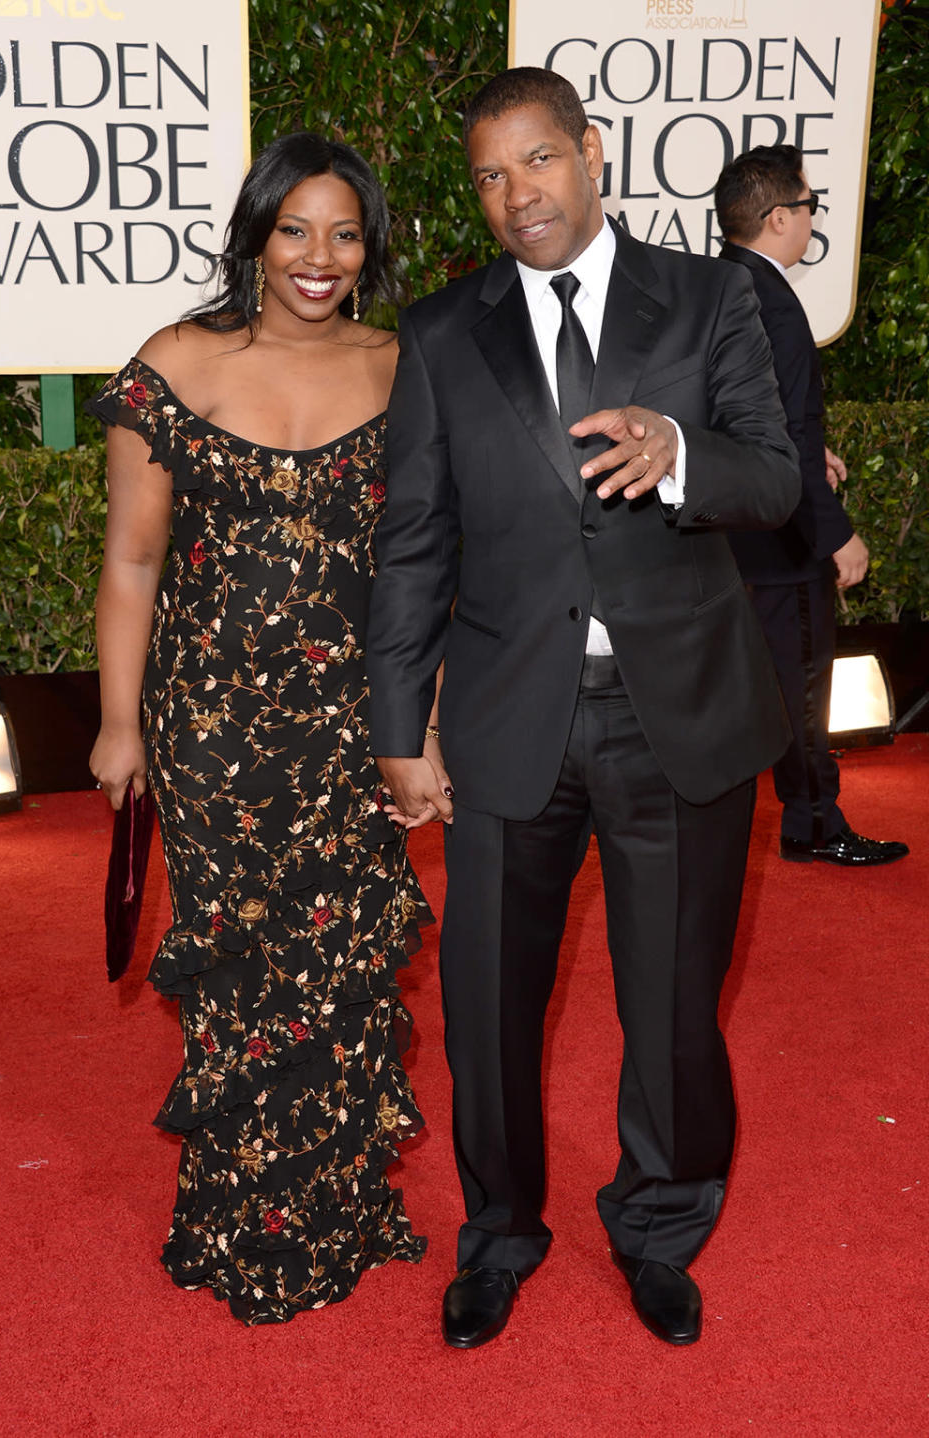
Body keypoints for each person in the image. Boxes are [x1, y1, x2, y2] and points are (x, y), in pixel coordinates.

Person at [365, 66, 801, 1351]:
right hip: (510, 714)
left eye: (538, 161)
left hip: (681, 708)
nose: (518, 196)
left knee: (673, 997)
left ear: (592, 153)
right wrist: (399, 724)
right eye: (492, 177)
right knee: (490, 997)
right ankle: (499, 1231)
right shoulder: (444, 333)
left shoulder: (713, 296)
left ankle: (661, 1221)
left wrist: (680, 453)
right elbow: (414, 543)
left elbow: (774, 477)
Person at [88, 133, 435, 1325]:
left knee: (340, 976)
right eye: (295, 229)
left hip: (351, 730)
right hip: (208, 735)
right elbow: (132, 562)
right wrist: (116, 725)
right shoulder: (173, 363)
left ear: (370, 245)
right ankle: (240, 1220)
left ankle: (335, 1206)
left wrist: (424, 713)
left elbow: (428, 565)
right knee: (244, 975)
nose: (319, 257)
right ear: (254, 233)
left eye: (344, 233)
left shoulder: (407, 365)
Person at [715, 145, 909, 866]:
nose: (812, 219)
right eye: (808, 206)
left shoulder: (714, 287)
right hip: (780, 538)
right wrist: (834, 532)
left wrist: (799, 457)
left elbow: (730, 420)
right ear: (776, 218)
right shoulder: (773, 302)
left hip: (724, 534)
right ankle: (813, 820)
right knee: (798, 681)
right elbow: (789, 430)